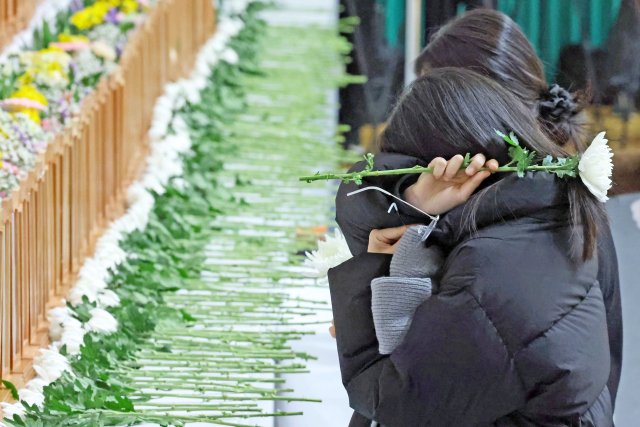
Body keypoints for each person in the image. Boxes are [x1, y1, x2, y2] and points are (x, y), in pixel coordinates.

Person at [335, 9, 622, 422]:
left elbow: (393, 400)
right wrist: (413, 198)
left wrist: (358, 319)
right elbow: (360, 199)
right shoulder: (546, 203)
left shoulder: (496, 268)